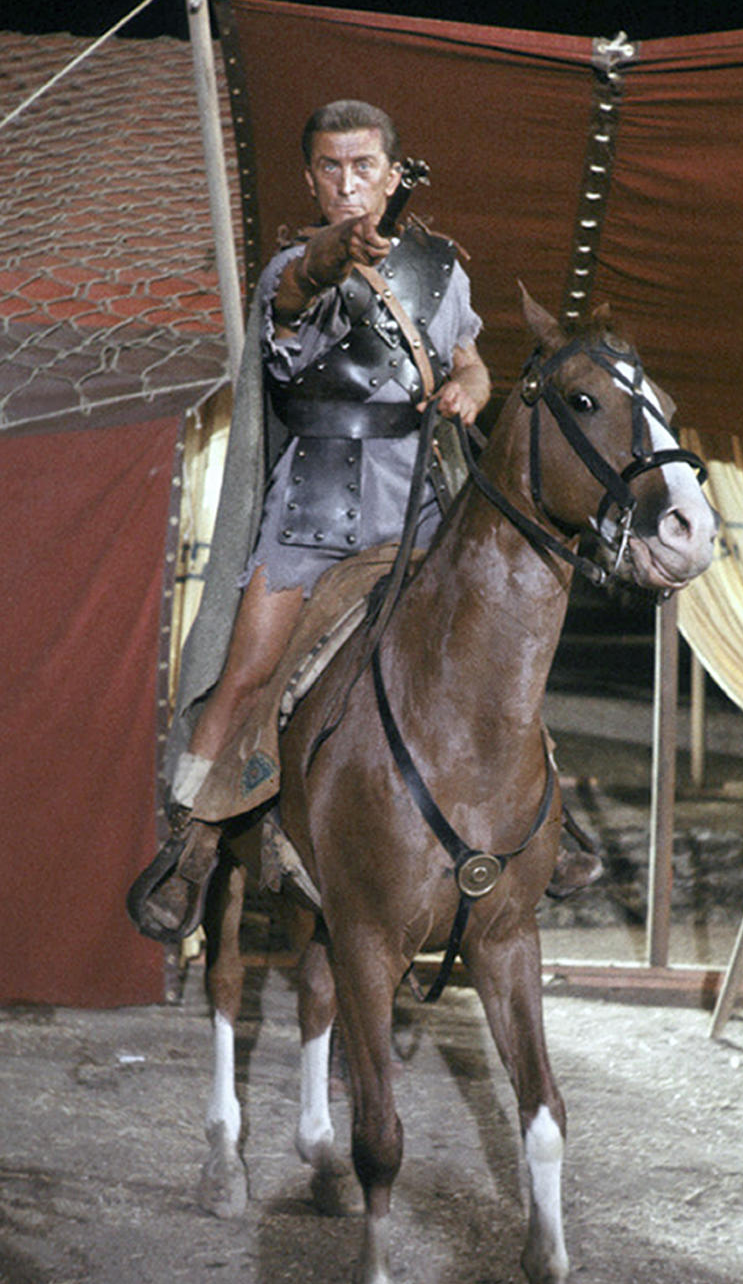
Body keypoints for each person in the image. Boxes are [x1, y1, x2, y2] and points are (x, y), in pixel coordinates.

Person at [127, 100, 490, 943]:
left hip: (415, 508)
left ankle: (535, 822)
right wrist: (333, 254)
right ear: (310, 178)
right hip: (311, 504)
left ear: (395, 174)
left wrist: (471, 386)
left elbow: (467, 353)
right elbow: (298, 292)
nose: (348, 182)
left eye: (364, 166)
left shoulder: (442, 269)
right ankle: (191, 847)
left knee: (482, 658)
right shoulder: (291, 266)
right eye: (330, 168)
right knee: (244, 675)